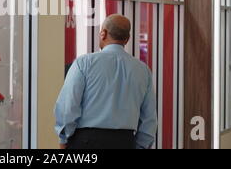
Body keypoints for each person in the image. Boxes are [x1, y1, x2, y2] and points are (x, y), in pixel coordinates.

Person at [54, 14, 157, 149]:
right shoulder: (143, 71)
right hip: (125, 142)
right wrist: (139, 145)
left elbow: (68, 106)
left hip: (87, 142)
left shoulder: (84, 63)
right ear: (127, 39)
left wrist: (64, 138)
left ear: (103, 33)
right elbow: (149, 118)